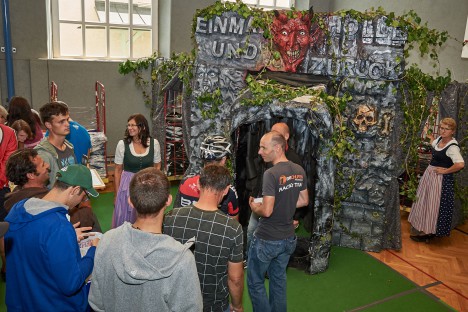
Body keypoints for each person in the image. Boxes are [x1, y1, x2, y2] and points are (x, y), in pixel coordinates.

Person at [89, 168, 202, 312]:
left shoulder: (107, 241)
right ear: (168, 200)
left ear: (130, 202)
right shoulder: (182, 260)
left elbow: (97, 302)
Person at [4, 164, 100, 311]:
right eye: (83, 195)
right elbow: (71, 283)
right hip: (53, 305)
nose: (82, 200)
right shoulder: (59, 227)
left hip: (22, 302)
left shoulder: (18, 209)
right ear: (74, 190)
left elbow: (33, 248)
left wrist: (67, 239)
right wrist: (93, 251)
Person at [165, 165, 244, 312]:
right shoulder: (233, 228)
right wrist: (237, 305)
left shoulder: (171, 217)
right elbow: (235, 278)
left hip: (177, 300)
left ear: (199, 185)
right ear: (226, 190)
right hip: (214, 305)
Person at [247, 131, 308, 312]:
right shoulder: (298, 170)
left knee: (255, 282)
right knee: (279, 280)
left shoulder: (271, 174)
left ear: (277, 148)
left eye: (263, 147)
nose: (259, 152)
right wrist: (282, 203)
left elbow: (266, 210)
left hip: (267, 238)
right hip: (288, 240)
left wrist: (254, 206)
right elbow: (304, 200)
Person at [5, 148, 101, 232]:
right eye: (43, 165)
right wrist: (85, 204)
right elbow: (80, 221)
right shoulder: (42, 202)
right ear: (31, 175)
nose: (47, 165)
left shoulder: (16, 197)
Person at [246, 122, 304, 258]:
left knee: (274, 245)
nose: (273, 135)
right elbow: (261, 179)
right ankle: (249, 257)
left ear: (286, 136)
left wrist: (295, 216)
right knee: (251, 231)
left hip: (277, 218)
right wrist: (255, 196)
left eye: (277, 133)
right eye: (271, 131)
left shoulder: (295, 161)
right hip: (262, 202)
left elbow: (301, 195)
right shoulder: (267, 156)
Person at [408, 117, 465, 242]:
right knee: (425, 201)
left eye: (446, 129)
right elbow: (432, 141)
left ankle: (428, 231)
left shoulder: (452, 147)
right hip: (430, 175)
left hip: (439, 180)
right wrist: (426, 127)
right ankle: (424, 227)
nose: (443, 131)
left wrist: (445, 171)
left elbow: (460, 164)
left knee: (433, 205)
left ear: (452, 131)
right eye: (441, 128)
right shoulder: (439, 140)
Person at [112, 114, 161, 228]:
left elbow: (157, 166)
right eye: (128, 125)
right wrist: (116, 194)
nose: (130, 128)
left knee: (147, 214)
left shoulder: (154, 143)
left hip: (147, 185)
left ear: (142, 127)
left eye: (133, 125)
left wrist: (153, 182)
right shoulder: (122, 144)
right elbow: (118, 170)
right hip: (128, 184)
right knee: (126, 217)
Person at [176, 135, 240, 220]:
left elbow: (180, 214)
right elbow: (234, 224)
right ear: (224, 159)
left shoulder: (185, 183)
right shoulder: (228, 191)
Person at [35, 101, 76, 188]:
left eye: (67, 120)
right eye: (61, 122)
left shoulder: (69, 146)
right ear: (48, 125)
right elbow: (41, 187)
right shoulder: (42, 154)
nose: (67, 124)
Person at [0, 123, 17, 281]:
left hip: (1, 189)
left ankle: (6, 267)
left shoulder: (8, 133)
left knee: (4, 231)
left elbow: (7, 166)